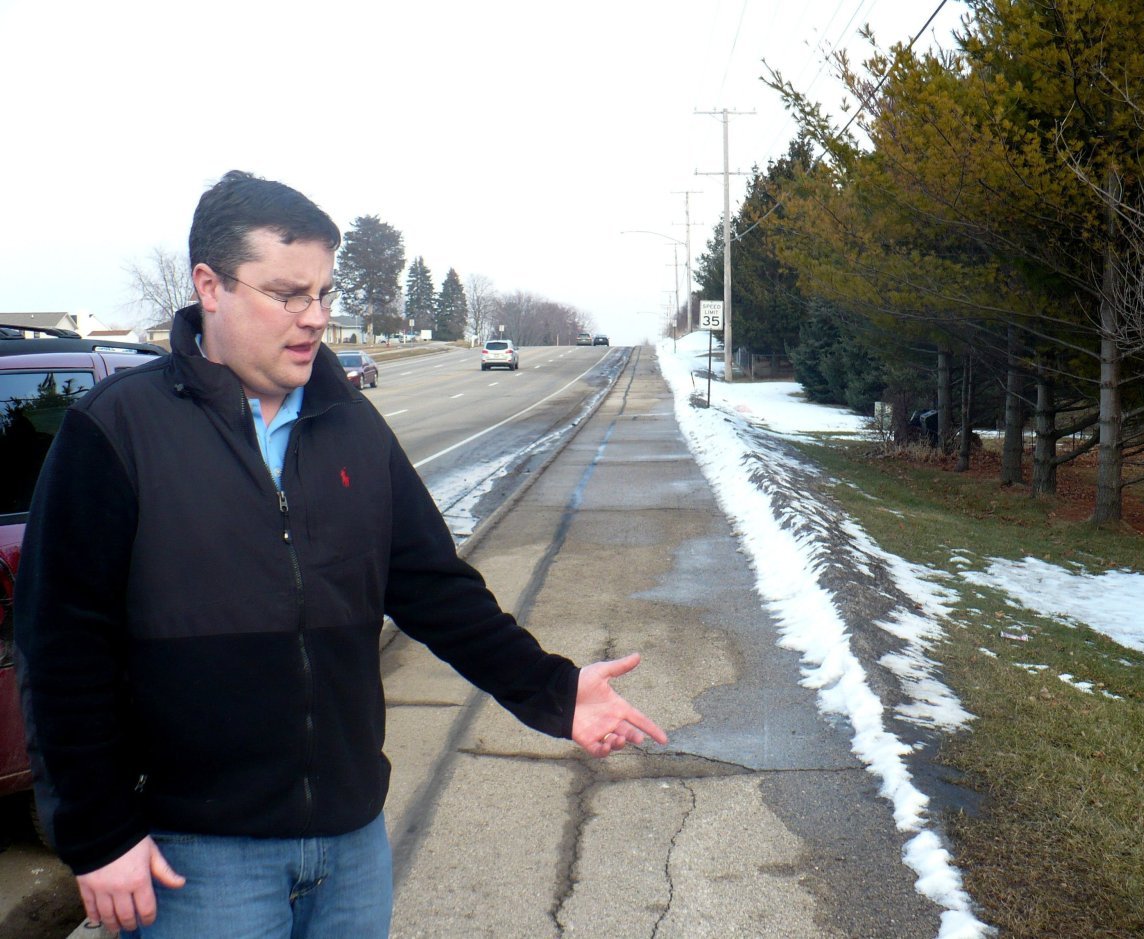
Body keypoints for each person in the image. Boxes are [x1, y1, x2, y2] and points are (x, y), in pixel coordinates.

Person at [15, 170, 667, 938]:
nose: (316, 318)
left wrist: (555, 690)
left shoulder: (352, 426)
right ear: (210, 286)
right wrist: (99, 835)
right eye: (289, 293)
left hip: (352, 848)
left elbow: (436, 590)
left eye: (325, 293)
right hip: (197, 860)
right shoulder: (117, 431)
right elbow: (61, 650)